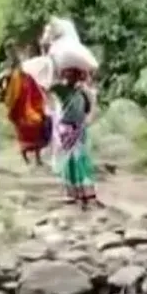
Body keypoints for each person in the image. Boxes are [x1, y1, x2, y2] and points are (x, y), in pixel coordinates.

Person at [50, 67, 101, 209]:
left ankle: (86, 194)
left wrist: (86, 89)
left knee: (81, 160)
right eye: (69, 74)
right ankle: (73, 193)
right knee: (70, 161)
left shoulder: (83, 92)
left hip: (80, 129)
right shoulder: (62, 90)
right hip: (67, 129)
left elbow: (89, 109)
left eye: (75, 75)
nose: (72, 77)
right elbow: (51, 86)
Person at [0, 42, 51, 166]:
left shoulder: (28, 75)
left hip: (30, 107)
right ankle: (26, 157)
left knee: (37, 126)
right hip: (19, 109)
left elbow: (36, 92)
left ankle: (37, 158)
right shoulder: (10, 73)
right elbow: (7, 92)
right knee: (24, 131)